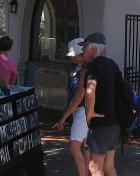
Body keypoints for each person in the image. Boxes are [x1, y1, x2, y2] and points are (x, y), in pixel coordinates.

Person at [80, 32, 122, 176]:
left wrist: (90, 111)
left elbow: (90, 90)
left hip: (101, 124)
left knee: (95, 167)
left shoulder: (93, 67)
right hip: (114, 122)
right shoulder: (113, 65)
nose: (82, 50)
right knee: (109, 165)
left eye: (84, 46)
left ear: (92, 48)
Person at [53, 38, 90, 176]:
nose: (73, 58)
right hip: (84, 110)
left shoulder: (85, 70)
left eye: (74, 55)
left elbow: (78, 97)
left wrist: (64, 116)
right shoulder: (86, 68)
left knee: (74, 147)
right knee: (84, 145)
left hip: (82, 111)